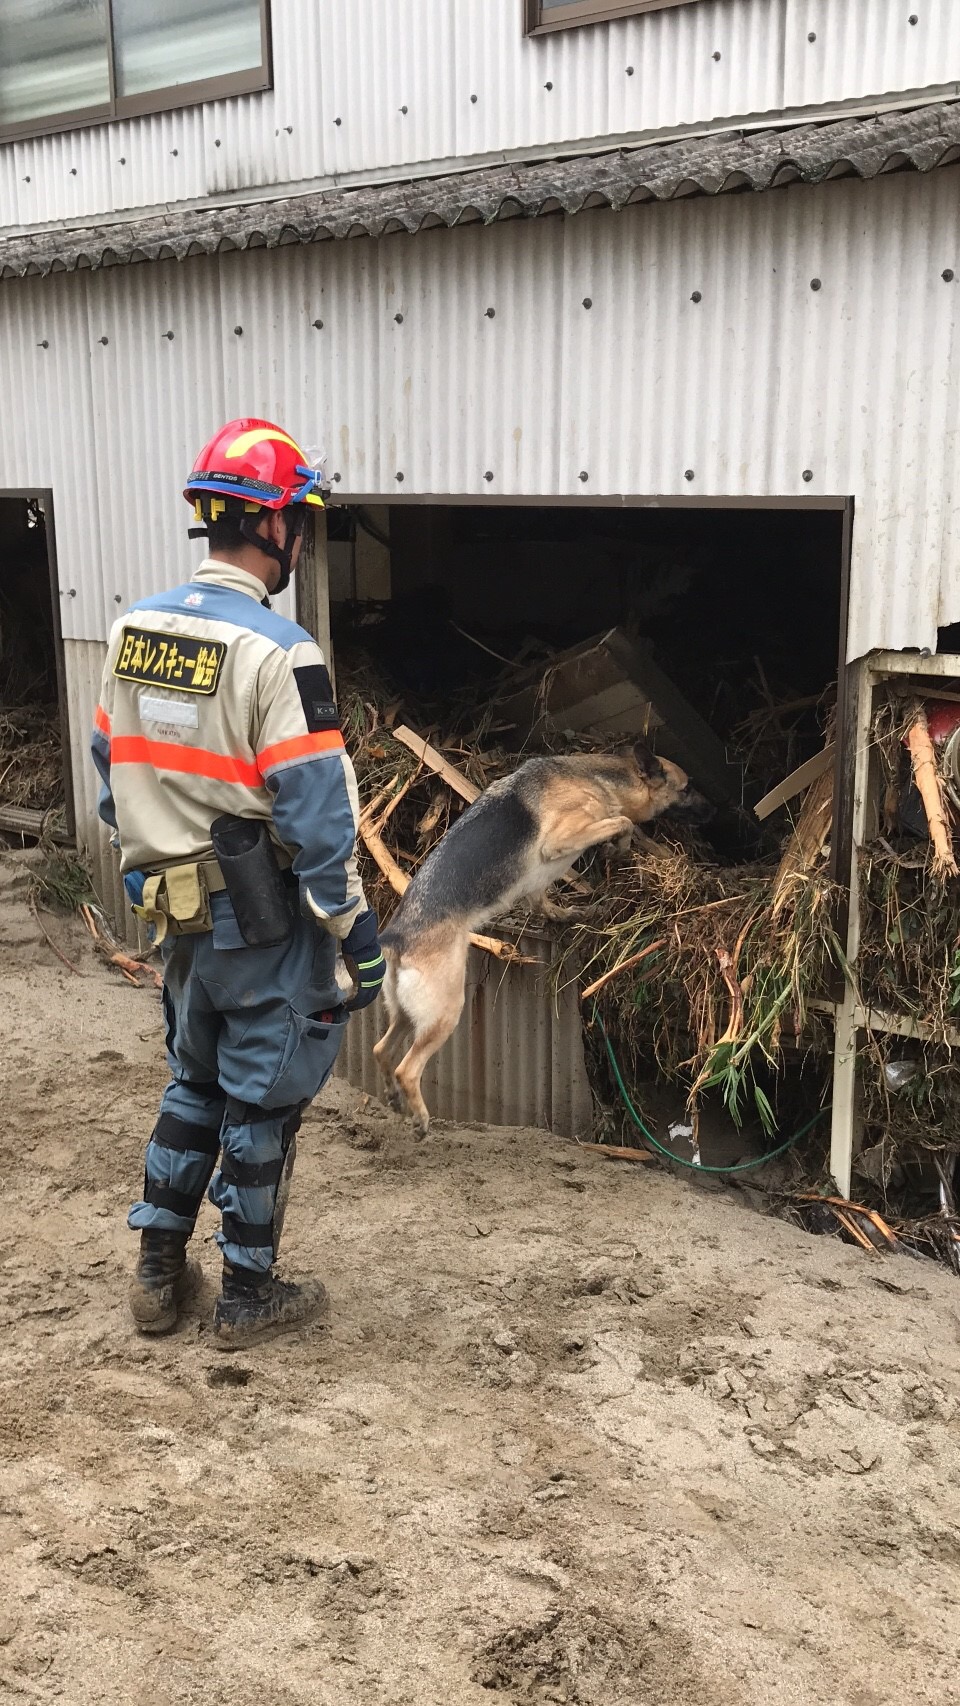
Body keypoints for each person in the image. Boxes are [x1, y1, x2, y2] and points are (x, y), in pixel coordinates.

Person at [91, 418, 384, 1349]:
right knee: (262, 1099)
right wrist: (355, 933)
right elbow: (318, 818)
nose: (301, 538)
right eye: (299, 520)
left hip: (177, 917)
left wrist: (157, 853)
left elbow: (110, 774)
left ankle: (156, 1277)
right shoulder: (279, 653)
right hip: (263, 923)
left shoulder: (132, 630)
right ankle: (249, 1297)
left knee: (193, 1081)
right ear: (273, 525)